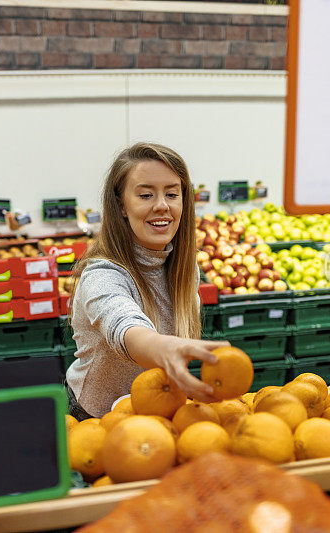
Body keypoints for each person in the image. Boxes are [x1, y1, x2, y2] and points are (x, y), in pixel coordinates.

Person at [65, 142, 229, 420]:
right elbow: (124, 325)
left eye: (172, 194)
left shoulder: (184, 268)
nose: (162, 206)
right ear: (122, 206)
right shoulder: (102, 274)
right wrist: (165, 348)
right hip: (98, 419)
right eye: (145, 195)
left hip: (162, 408)